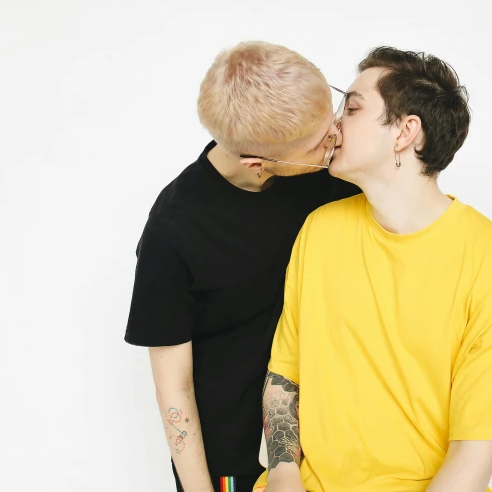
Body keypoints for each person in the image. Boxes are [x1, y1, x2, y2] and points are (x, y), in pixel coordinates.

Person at [255, 47, 492, 492]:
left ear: (405, 131)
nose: (334, 125)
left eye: (353, 108)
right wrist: (283, 475)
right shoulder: (319, 230)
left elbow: (472, 458)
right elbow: (286, 374)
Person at [124, 41, 359, 492]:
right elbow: (174, 388)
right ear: (259, 163)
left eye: (334, 119)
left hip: (337, 435)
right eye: (320, 143)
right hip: (234, 452)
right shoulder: (173, 232)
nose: (336, 140)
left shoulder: (330, 171)